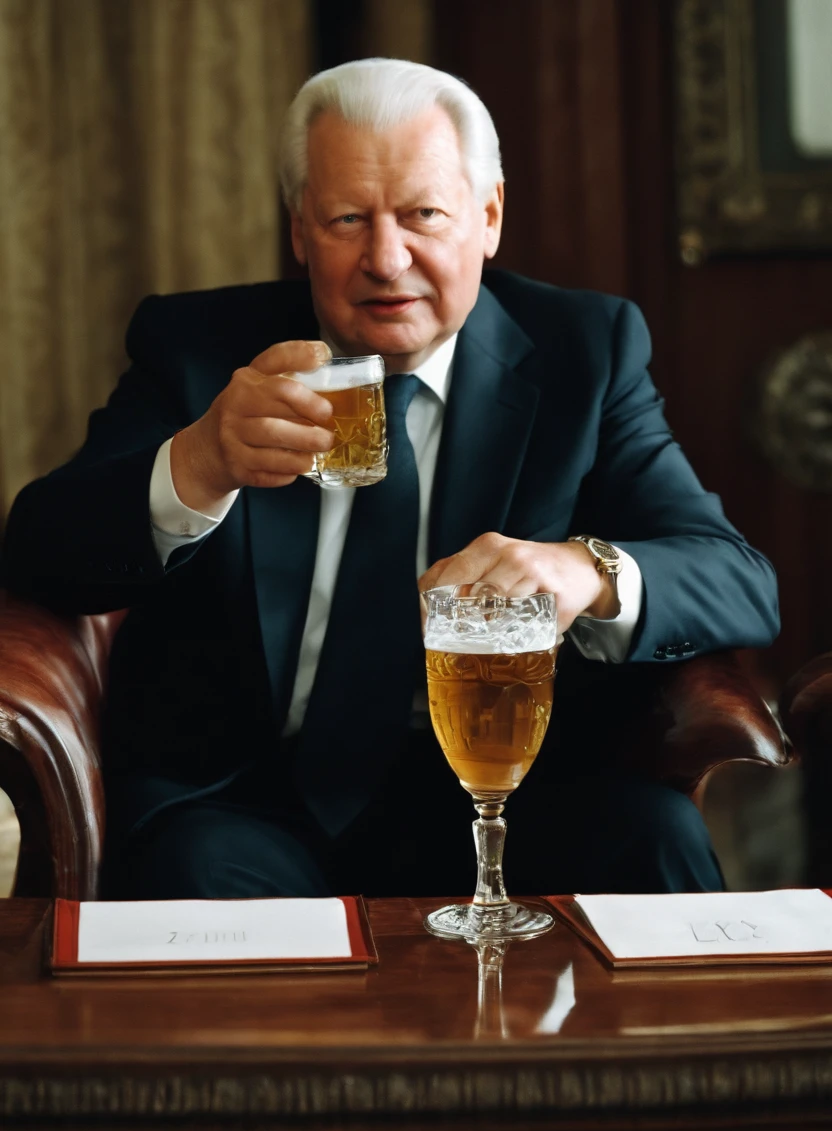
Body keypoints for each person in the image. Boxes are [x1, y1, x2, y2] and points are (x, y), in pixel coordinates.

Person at [0, 59, 779, 900]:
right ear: (299, 229)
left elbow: (737, 577)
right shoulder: (196, 349)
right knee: (195, 876)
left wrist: (583, 568)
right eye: (346, 218)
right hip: (251, 802)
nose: (385, 257)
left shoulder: (584, 353)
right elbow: (41, 550)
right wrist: (196, 465)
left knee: (654, 841)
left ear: (488, 216)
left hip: (518, 787)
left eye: (423, 215)